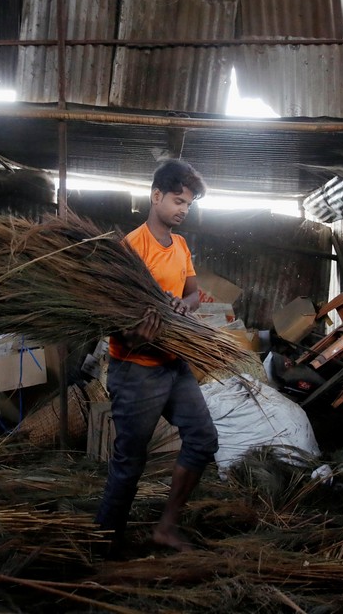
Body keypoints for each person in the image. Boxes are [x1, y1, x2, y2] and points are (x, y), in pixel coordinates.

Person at [95, 158, 218, 553]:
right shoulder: (129, 248)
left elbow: (195, 293)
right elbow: (110, 315)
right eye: (179, 200)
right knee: (130, 463)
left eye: (189, 204)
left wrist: (186, 304)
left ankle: (165, 527)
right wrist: (133, 335)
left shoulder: (181, 245)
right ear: (156, 196)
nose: (183, 209)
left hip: (173, 362)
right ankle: (104, 544)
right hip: (136, 371)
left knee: (203, 439)